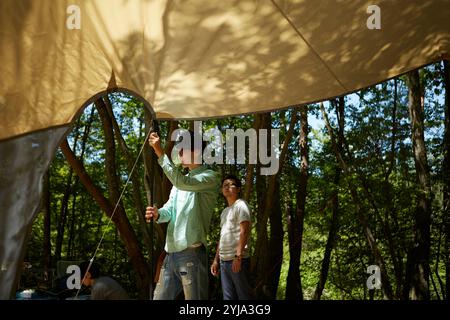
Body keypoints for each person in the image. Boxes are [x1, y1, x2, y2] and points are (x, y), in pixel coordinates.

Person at [146, 130, 220, 300]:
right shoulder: (179, 182)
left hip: (191, 254)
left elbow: (183, 182)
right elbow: (168, 211)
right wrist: (158, 214)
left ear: (198, 151)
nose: (179, 153)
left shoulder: (210, 177)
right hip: (170, 254)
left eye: (183, 149)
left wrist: (159, 151)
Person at [210, 174, 254, 300]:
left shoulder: (241, 205)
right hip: (224, 262)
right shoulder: (225, 212)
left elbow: (244, 231)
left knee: (244, 296)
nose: (227, 187)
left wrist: (238, 257)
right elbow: (222, 237)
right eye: (225, 185)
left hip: (238, 260)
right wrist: (216, 260)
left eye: (231, 185)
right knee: (228, 298)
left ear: (238, 189)